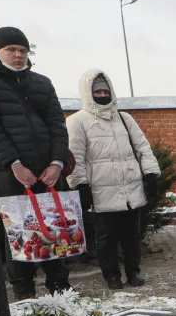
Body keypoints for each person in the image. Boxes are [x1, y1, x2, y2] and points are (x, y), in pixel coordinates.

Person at [0, 26, 72, 299]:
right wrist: (13, 162)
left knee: (54, 226)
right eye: (11, 49)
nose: (18, 55)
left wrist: (57, 162)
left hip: (48, 170)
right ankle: (24, 295)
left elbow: (57, 124)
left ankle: (61, 291)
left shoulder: (41, 82)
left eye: (23, 50)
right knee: (19, 232)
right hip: (9, 170)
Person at [66, 69, 159, 290]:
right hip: (101, 191)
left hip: (130, 189)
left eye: (104, 90)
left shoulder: (125, 119)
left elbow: (142, 148)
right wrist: (80, 184)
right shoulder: (77, 121)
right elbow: (74, 157)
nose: (101, 95)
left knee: (131, 236)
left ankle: (133, 272)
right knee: (106, 238)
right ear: (88, 94)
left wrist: (151, 173)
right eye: (96, 91)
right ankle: (112, 276)